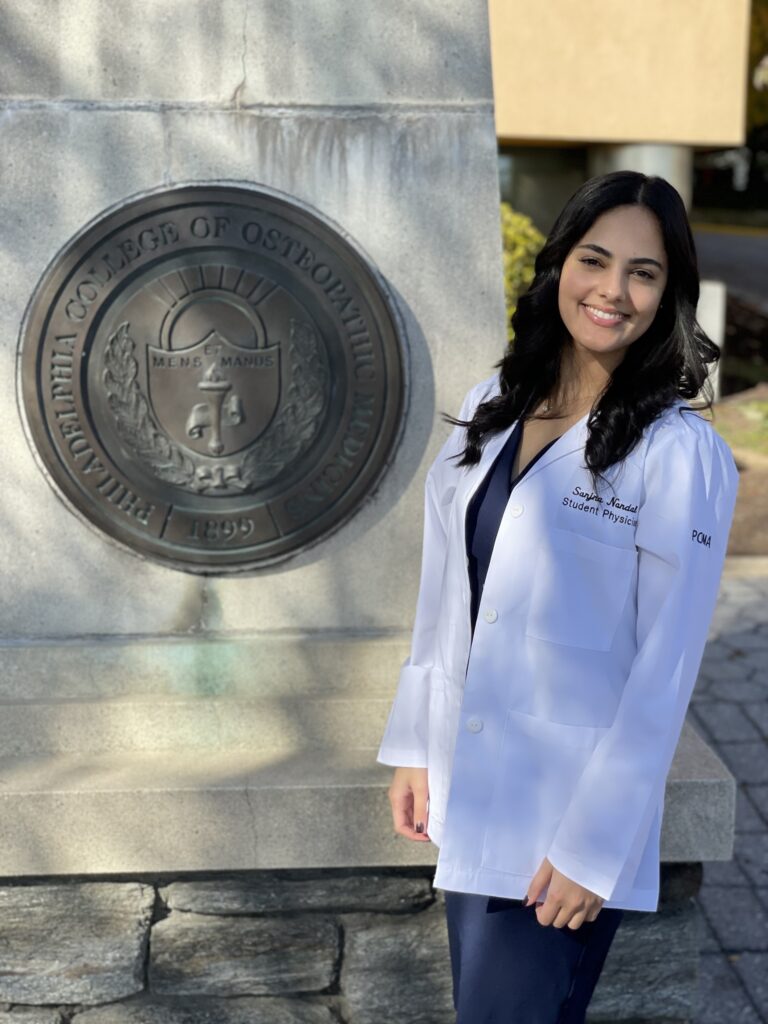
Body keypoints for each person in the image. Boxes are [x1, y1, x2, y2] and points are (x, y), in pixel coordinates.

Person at [376, 170, 740, 1024]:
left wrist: (594, 845)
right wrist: (415, 744)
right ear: (561, 265)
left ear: (669, 294)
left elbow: (665, 669)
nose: (612, 291)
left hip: (562, 823)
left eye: (643, 273)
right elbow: (445, 589)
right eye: (595, 260)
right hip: (471, 785)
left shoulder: (677, 453)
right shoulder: (495, 404)